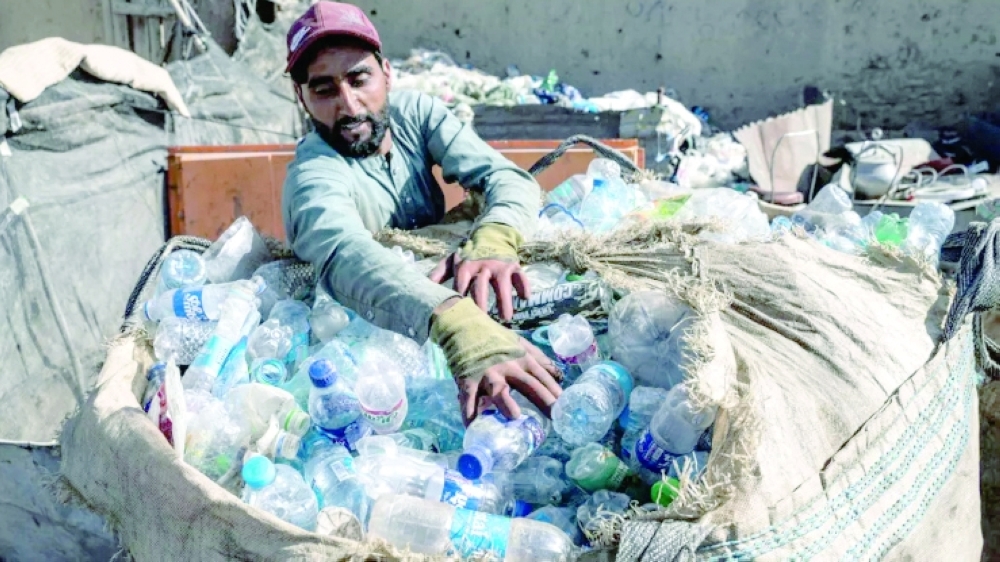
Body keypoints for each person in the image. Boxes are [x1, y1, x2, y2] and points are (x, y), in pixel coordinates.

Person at [281, 2, 562, 425]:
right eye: (324, 89)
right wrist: (455, 320)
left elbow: (506, 177)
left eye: (360, 79)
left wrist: (496, 240)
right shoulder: (313, 172)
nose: (350, 105)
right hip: (382, 332)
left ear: (387, 73)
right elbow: (343, 253)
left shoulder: (416, 115)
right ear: (302, 98)